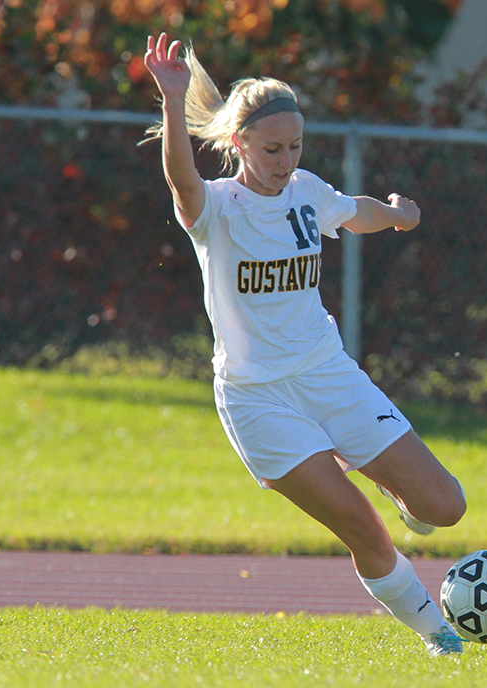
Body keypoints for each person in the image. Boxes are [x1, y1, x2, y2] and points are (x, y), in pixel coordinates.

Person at [143, 33, 467, 656]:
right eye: (271, 149)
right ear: (239, 144)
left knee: (444, 507)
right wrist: (172, 101)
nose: (285, 159)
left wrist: (399, 216)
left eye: (294, 146)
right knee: (364, 531)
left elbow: (354, 211)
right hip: (258, 399)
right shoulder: (217, 208)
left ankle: (384, 479)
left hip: (328, 375)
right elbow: (181, 180)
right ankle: (437, 633)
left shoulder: (306, 192)